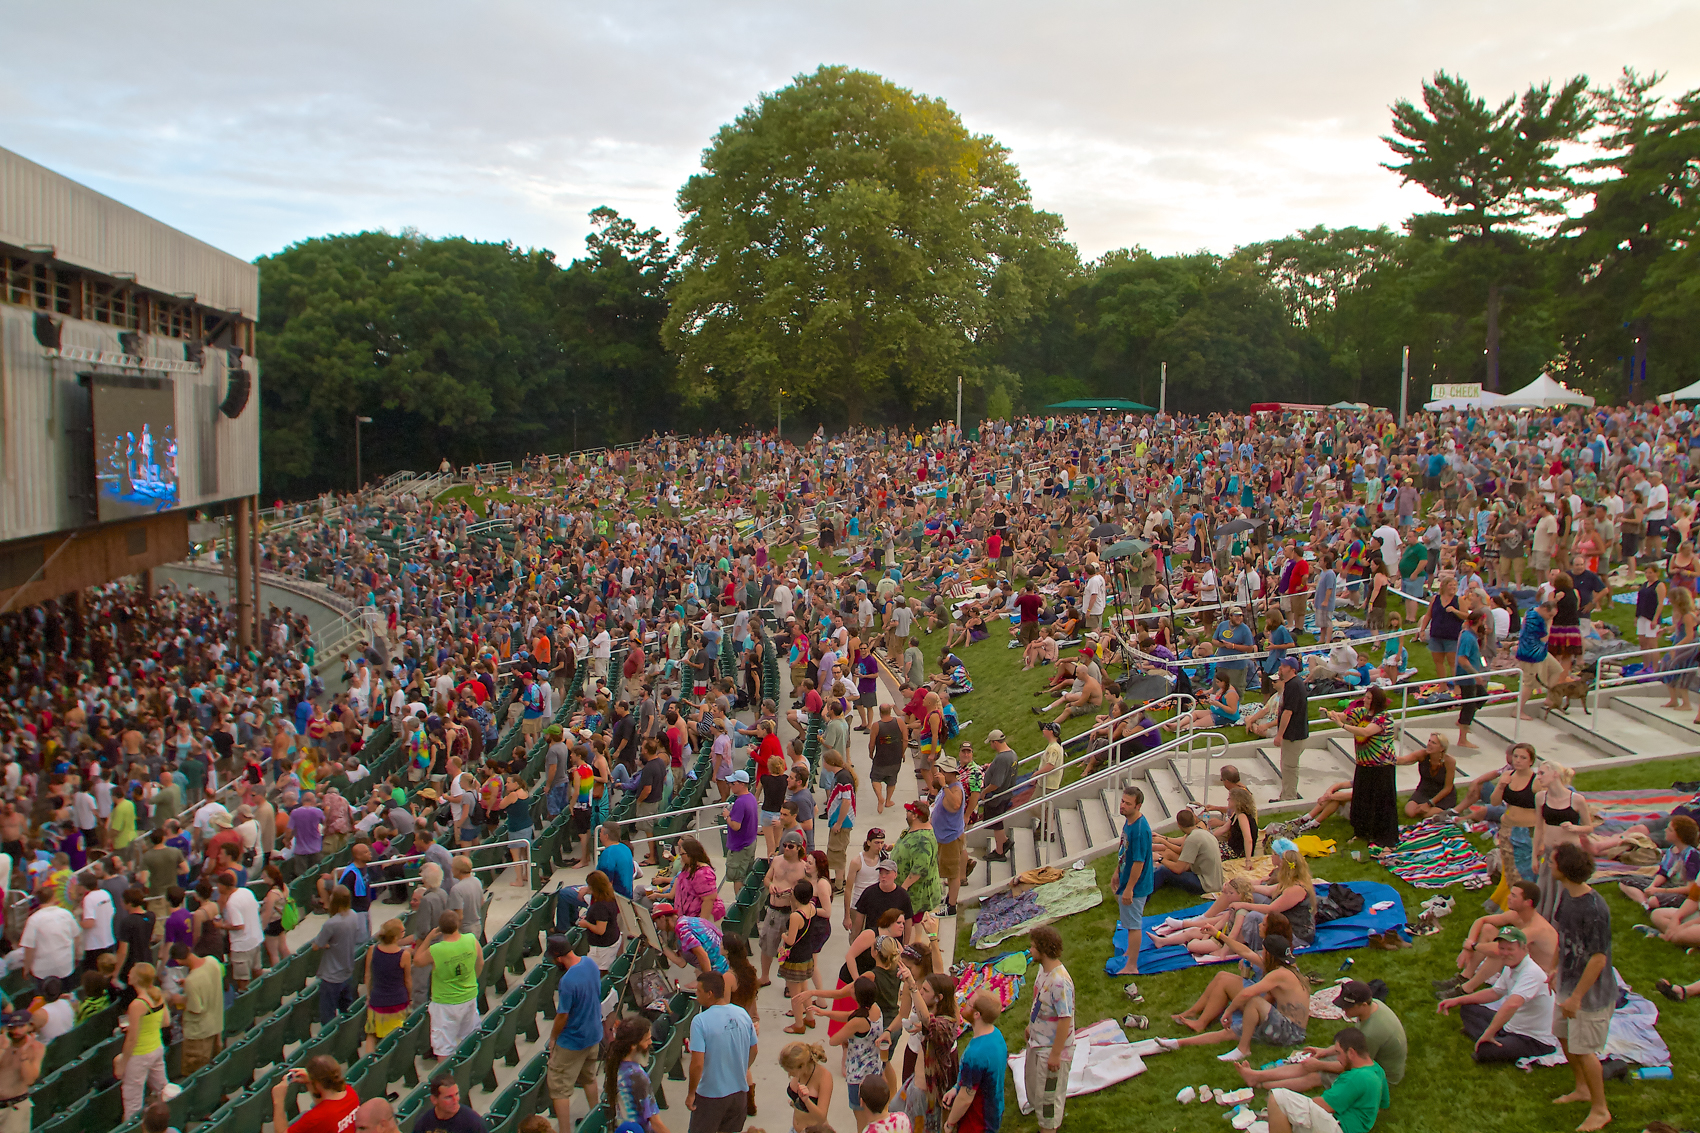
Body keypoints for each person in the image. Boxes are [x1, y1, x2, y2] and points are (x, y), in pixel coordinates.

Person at [1549, 843, 1615, 1132]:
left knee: (1586, 1050)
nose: (1548, 864)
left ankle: (1600, 1110)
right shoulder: (1566, 896)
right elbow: (1561, 935)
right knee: (1564, 1038)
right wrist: (1554, 968)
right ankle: (1581, 1088)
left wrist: (1576, 997)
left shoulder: (1595, 909)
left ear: (1563, 869)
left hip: (1589, 994)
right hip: (1567, 983)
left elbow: (1598, 959)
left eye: (1552, 861)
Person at [1233, 980, 1405, 1092]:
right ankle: (1256, 1076)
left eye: (1347, 1007)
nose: (1344, 1010)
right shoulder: (1373, 1008)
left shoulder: (1373, 1032)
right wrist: (1324, 1052)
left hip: (1380, 1078)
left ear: (1362, 1005)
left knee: (1315, 1075)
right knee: (1309, 1065)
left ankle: (1259, 1083)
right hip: (1365, 1060)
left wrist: (1319, 1064)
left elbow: (1356, 1065)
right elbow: (1352, 1044)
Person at [1436, 925, 1558, 1064]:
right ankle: (1494, 1037)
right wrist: (1457, 1000)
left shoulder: (1531, 973)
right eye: (1502, 948)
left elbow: (1512, 1004)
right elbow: (1494, 992)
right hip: (1510, 1026)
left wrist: (1488, 1033)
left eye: (1510, 949)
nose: (1505, 953)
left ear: (1524, 949)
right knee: (1468, 1007)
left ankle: (1489, 1038)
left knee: (1484, 1052)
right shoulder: (1511, 966)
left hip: (1533, 1038)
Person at [1262, 1027, 1390, 1133]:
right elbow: (1382, 1105)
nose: (1337, 1058)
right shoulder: (1378, 1070)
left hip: (1340, 1128)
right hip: (1353, 1127)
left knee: (1277, 1097)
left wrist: (1288, 1109)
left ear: (1351, 1053)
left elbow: (1323, 1106)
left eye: (1338, 1053)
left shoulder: (1355, 1078)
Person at [686, 971, 757, 1133]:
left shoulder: (700, 1021)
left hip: (710, 1096)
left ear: (710, 994)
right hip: (739, 1093)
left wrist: (691, 1093)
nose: (696, 995)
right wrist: (742, 1068)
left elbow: (697, 1063)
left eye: (698, 991)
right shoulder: (742, 1014)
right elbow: (754, 1049)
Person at [545, 934, 603, 1133]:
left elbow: (562, 1016)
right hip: (594, 1034)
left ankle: (564, 1131)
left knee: (559, 1088)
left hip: (572, 1041)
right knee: (589, 1078)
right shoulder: (590, 963)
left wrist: (553, 1038)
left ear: (558, 957)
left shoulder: (567, 981)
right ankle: (596, 1118)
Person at [1328, 686, 1397, 846]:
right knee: (1361, 801)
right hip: (1363, 765)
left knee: (1382, 802)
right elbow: (1344, 716)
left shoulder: (1384, 717)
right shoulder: (1360, 713)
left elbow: (1366, 732)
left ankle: (1385, 837)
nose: (1364, 700)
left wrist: (1342, 726)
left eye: (1368, 698)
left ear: (1376, 701)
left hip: (1382, 767)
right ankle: (1361, 833)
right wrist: (1330, 714)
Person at [1023, 927, 1074, 1133]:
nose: (1030, 949)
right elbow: (1039, 1001)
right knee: (1035, 1089)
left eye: (1033, 946)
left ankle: (1048, 1129)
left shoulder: (1059, 982)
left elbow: (1065, 1019)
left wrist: (1055, 1054)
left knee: (1048, 1099)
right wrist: (1031, 1025)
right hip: (1038, 1041)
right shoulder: (1043, 970)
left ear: (1043, 950)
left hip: (1051, 1050)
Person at [414, 910, 482, 1058]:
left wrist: (428, 938)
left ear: (440, 929)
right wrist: (472, 980)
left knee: (444, 1047)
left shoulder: (436, 950)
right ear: (458, 924)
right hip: (469, 996)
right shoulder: (471, 939)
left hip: (444, 1004)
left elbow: (417, 960)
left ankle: (445, 1079)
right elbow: (480, 962)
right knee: (470, 1039)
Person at [941, 990, 1007, 1133]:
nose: (964, 1004)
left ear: (977, 1014)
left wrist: (950, 1123)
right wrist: (955, 1089)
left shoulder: (975, 1055)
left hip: (977, 1123)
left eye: (969, 1003)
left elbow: (965, 1098)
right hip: (994, 1112)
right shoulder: (996, 1034)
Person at [116, 963, 171, 1121]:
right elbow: (165, 1021)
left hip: (139, 1055)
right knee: (163, 1090)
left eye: (131, 973)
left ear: (137, 979)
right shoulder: (157, 993)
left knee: (132, 1103)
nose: (128, 975)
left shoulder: (137, 1004)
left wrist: (122, 1064)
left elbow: (132, 1039)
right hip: (156, 1048)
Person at [1113, 785, 1153, 977]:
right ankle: (1131, 951)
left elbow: (1138, 861)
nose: (1123, 806)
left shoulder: (1139, 829)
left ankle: (1132, 966)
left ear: (1138, 806)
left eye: (1128, 804)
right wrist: (1116, 872)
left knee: (1134, 924)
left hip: (1136, 885)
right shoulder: (1129, 822)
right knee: (1129, 921)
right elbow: (1124, 851)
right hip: (1126, 879)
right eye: (1122, 801)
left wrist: (1129, 889)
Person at [605, 1016, 669, 1133]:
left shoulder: (616, 1064)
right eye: (647, 1040)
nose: (650, 1042)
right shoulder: (637, 1076)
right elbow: (655, 1123)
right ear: (633, 1045)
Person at [313, 885, 364, 1023]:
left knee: (327, 1014)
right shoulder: (353, 915)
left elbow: (317, 945)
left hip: (331, 976)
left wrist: (328, 944)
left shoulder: (331, 923)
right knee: (346, 1009)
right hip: (347, 971)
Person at [173, 944, 225, 1075]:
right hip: (216, 1025)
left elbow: (195, 1008)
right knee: (214, 1070)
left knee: (195, 1074)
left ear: (178, 961)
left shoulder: (192, 981)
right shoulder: (212, 961)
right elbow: (207, 982)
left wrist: (179, 999)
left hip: (199, 1034)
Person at [272, 1055, 360, 1133]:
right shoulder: (350, 1092)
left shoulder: (315, 1118)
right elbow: (324, 1105)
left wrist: (278, 1101)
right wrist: (312, 1082)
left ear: (317, 1084)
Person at [364, 918, 413, 1052]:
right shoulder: (404, 955)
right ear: (397, 936)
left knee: (371, 1033)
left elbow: (368, 975)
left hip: (377, 1000)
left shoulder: (372, 950)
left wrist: (368, 995)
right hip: (398, 1002)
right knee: (397, 1035)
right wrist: (410, 998)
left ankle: (368, 1062)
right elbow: (407, 981)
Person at [1151, 808, 1223, 896]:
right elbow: (1181, 852)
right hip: (1215, 881)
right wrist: (1163, 840)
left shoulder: (1192, 839)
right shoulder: (1202, 833)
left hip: (1205, 885)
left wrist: (1159, 858)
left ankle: (1142, 893)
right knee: (1168, 865)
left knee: (1163, 870)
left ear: (1179, 825)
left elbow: (1178, 869)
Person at [0, 1010, 44, 1133]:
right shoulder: (2, 1043)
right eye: (12, 1027)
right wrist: (4, 1048)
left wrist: (23, 1054)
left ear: (29, 1027)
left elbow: (30, 1080)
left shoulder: (37, 1048)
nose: (16, 1031)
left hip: (15, 1108)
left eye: (21, 1026)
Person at [1273, 657, 1309, 802]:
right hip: (1294, 733)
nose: (1280, 668)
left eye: (1284, 666)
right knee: (1286, 766)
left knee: (1289, 767)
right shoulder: (1291, 684)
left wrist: (1279, 735)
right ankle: (1285, 795)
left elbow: (1288, 712)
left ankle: (1289, 797)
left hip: (1294, 734)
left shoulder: (1294, 685)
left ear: (1292, 669)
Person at [778, 1042, 834, 1133]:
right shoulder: (800, 1072)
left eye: (791, 1071)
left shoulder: (824, 1077)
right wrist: (795, 1103)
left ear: (802, 1066)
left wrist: (806, 1101)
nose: (789, 1075)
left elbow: (822, 1118)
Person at [723, 771, 760, 892]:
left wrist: (727, 816)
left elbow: (735, 826)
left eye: (733, 783)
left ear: (742, 784)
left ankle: (740, 905)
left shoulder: (740, 802)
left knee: (738, 877)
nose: (730, 786)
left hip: (740, 847)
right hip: (749, 843)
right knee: (746, 875)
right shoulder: (751, 797)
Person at [412, 1075, 486, 1133]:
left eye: (456, 1094)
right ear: (434, 1099)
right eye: (448, 1097)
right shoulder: (425, 1121)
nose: (455, 1100)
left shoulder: (473, 1122)